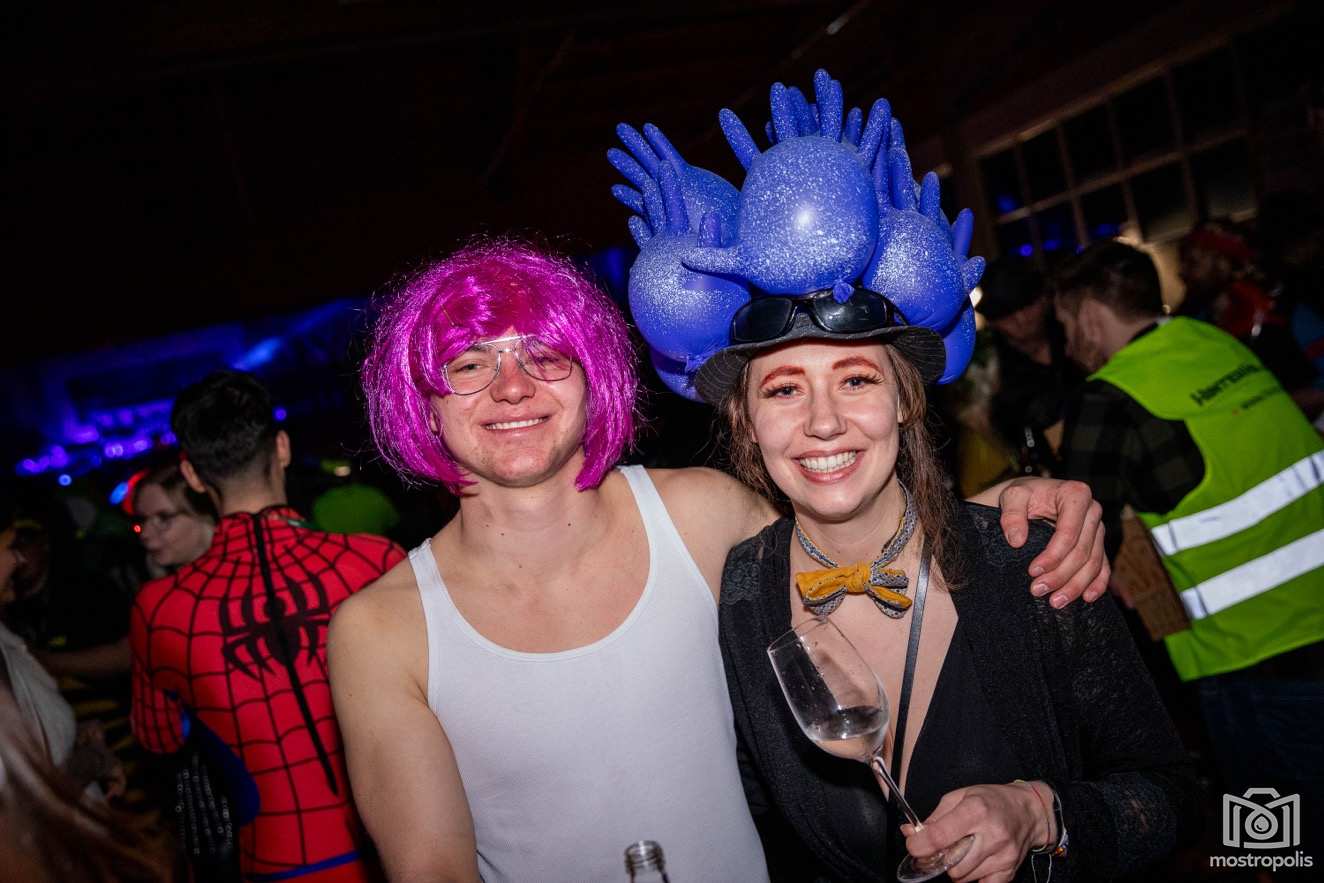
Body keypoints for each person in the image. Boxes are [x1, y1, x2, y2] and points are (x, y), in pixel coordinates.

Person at [331, 237, 1108, 879]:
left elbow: (858, 541)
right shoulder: (382, 630)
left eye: (546, 355)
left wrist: (1007, 504)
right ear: (421, 398)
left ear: (593, 374)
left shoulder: (698, 515)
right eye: (469, 363)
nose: (512, 387)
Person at [1053, 240, 1324, 837]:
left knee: (1275, 842)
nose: (1068, 347)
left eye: (1067, 326)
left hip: (1251, 657)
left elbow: (1075, 534)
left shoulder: (1109, 396)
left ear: (1091, 316)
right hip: (1311, 622)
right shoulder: (1216, 343)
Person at [130, 371, 405, 883]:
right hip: (403, 845)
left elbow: (159, 738)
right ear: (281, 447)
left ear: (192, 475)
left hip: (274, 857)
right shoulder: (377, 560)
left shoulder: (160, 608)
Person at [974, 256, 1083, 476]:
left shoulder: (1078, 340)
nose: (1021, 320)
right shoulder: (987, 369)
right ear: (993, 321)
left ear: (1044, 300)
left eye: (1026, 306)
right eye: (1007, 314)